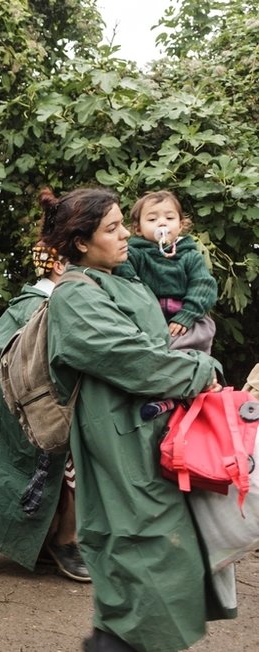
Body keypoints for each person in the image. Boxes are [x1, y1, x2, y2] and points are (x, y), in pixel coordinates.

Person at [43, 186, 231, 651]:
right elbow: (134, 359)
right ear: (82, 243)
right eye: (113, 228)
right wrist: (201, 369)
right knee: (137, 553)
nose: (127, 234)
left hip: (148, 437)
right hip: (118, 446)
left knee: (155, 561)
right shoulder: (75, 296)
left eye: (123, 223)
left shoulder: (121, 278)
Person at [0, 231, 89, 582]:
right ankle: (64, 541)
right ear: (58, 266)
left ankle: (53, 539)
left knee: (70, 465)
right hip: (36, 407)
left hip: (54, 404)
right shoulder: (35, 306)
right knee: (70, 466)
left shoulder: (59, 303)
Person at [115, 190, 217, 353]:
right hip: (149, 321)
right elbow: (123, 273)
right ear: (138, 228)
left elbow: (203, 286)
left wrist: (187, 315)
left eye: (169, 218)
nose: (162, 223)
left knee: (196, 345)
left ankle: (200, 370)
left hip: (185, 319)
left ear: (181, 225)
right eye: (152, 219)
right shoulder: (135, 253)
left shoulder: (190, 255)